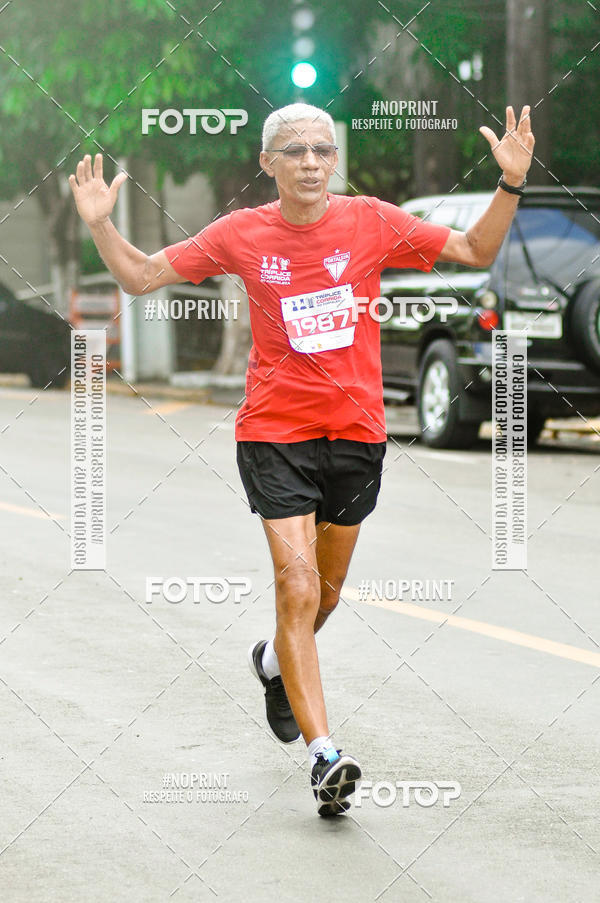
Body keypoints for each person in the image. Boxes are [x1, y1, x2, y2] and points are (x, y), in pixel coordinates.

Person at [69, 101, 534, 816]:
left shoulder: (371, 220)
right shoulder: (241, 234)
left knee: (328, 592)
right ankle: (326, 757)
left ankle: (272, 662)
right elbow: (139, 277)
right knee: (295, 585)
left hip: (356, 434)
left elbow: (474, 250)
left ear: (334, 159)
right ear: (269, 164)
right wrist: (101, 222)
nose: (312, 161)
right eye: (295, 151)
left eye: (322, 148)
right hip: (274, 433)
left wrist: (510, 184)